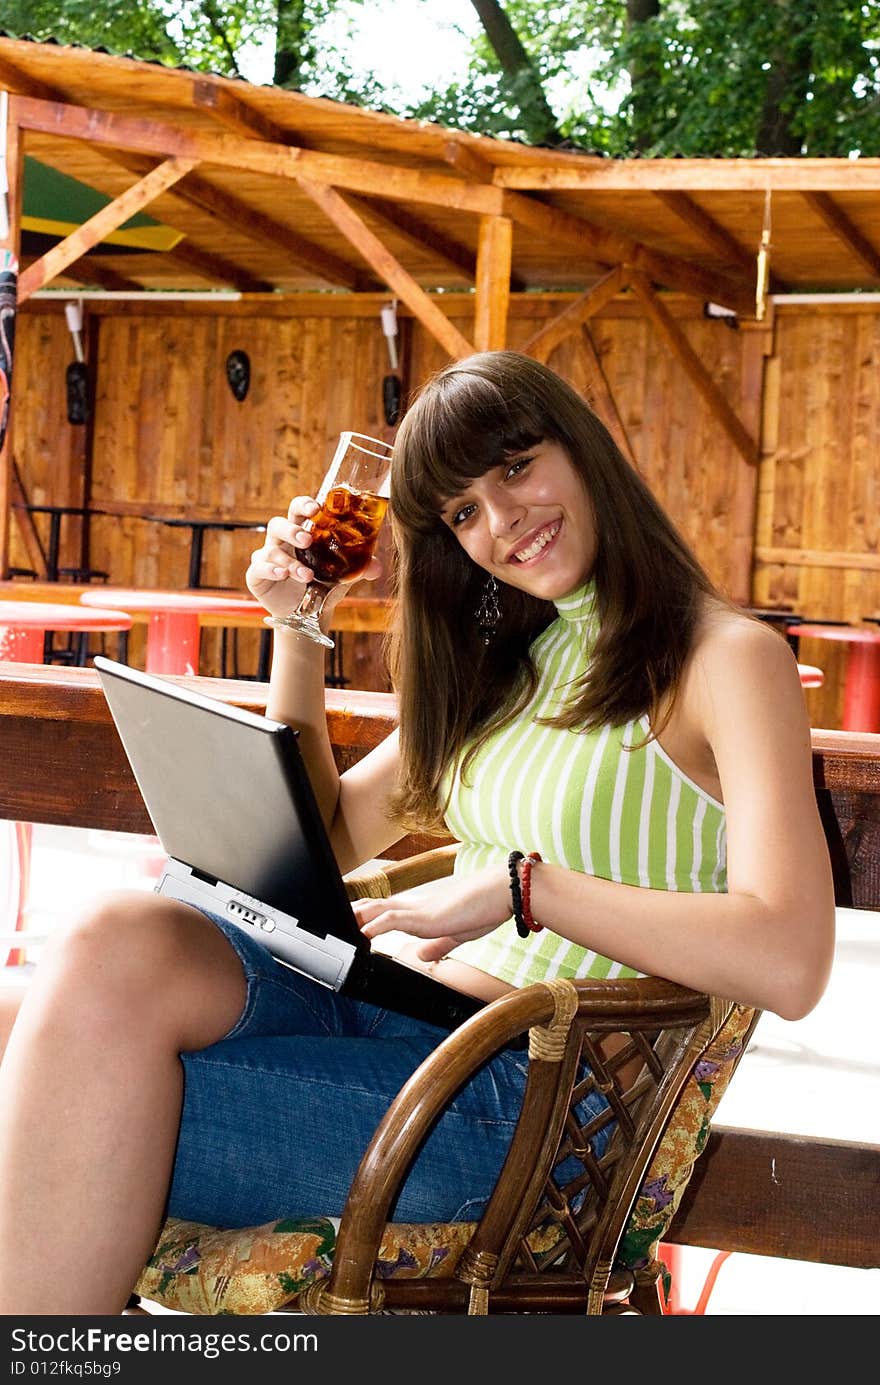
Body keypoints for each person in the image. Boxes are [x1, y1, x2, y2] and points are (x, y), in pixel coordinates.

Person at [0, 351, 835, 1315]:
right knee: (106, 945)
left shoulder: (726, 658)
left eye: (516, 467)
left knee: (57, 1086)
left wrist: (525, 888)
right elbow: (318, 845)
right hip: (403, 1021)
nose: (503, 519)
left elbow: (789, 958)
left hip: (524, 1112)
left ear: (583, 448)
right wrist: (301, 624)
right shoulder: (504, 661)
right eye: (465, 511)